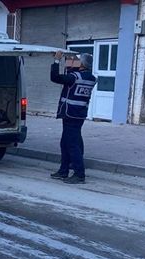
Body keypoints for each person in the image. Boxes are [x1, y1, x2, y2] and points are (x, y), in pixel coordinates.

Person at [50, 51, 96, 184]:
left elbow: (55, 77)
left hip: (70, 114)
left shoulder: (74, 77)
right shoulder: (90, 78)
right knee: (65, 143)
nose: (74, 63)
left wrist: (57, 61)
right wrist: (70, 58)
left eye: (77, 61)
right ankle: (63, 171)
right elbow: (72, 69)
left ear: (81, 64)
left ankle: (79, 174)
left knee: (72, 145)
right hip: (78, 114)